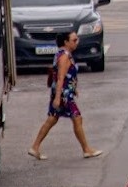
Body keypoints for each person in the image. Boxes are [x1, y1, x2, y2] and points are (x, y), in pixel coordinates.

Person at [27, 31, 102, 160]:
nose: (77, 42)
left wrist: (74, 88)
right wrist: (58, 97)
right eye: (74, 40)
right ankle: (86, 149)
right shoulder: (64, 57)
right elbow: (60, 77)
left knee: (52, 119)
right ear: (66, 42)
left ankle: (35, 147)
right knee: (77, 118)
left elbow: (67, 76)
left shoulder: (62, 54)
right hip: (63, 95)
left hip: (64, 92)